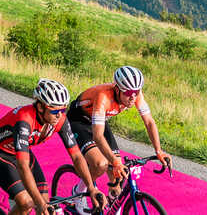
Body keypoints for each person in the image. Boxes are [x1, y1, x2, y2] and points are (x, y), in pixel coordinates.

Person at [0, 78, 105, 215]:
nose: (59, 115)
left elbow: (77, 156)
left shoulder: (60, 120)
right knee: (27, 203)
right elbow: (23, 165)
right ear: (40, 107)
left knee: (47, 206)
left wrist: (91, 187)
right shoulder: (24, 120)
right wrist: (39, 203)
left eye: (63, 109)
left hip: (21, 151)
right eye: (54, 111)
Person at [66, 66, 171, 207]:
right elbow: (97, 136)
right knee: (101, 164)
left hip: (99, 120)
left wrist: (159, 151)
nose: (133, 97)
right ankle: (77, 194)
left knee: (119, 175)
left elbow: (149, 122)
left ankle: (113, 206)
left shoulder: (135, 95)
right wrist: (114, 162)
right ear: (117, 89)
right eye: (128, 92)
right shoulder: (103, 97)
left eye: (136, 91)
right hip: (79, 120)